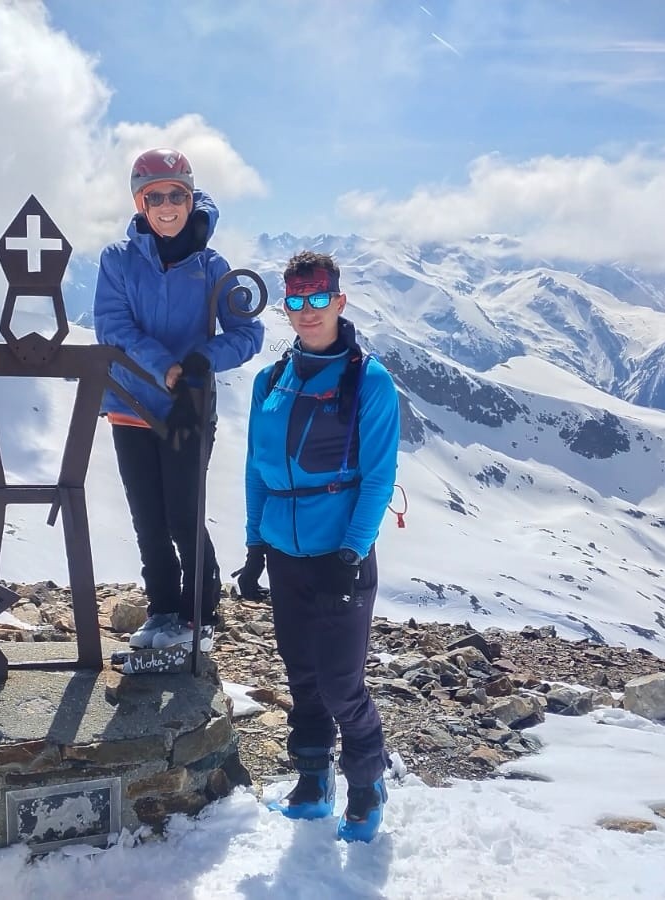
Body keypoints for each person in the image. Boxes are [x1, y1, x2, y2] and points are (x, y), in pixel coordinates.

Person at [243, 250, 400, 843]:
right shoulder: (270, 379)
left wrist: (351, 554)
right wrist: (256, 545)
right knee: (302, 675)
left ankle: (366, 783)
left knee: (341, 683)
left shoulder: (369, 380)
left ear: (339, 300)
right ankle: (313, 782)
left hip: (341, 557)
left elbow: (379, 478)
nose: (308, 311)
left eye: (318, 298)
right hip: (285, 552)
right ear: (286, 306)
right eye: (297, 301)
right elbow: (257, 469)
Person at [94, 148, 264, 654]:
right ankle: (163, 610)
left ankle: (200, 615)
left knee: (182, 515)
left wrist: (200, 362)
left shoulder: (212, 267)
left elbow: (248, 333)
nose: (167, 206)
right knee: (148, 515)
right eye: (155, 196)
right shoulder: (116, 261)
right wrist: (164, 364)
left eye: (177, 195)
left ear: (191, 199)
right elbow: (113, 327)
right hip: (130, 402)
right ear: (139, 202)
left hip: (189, 407)